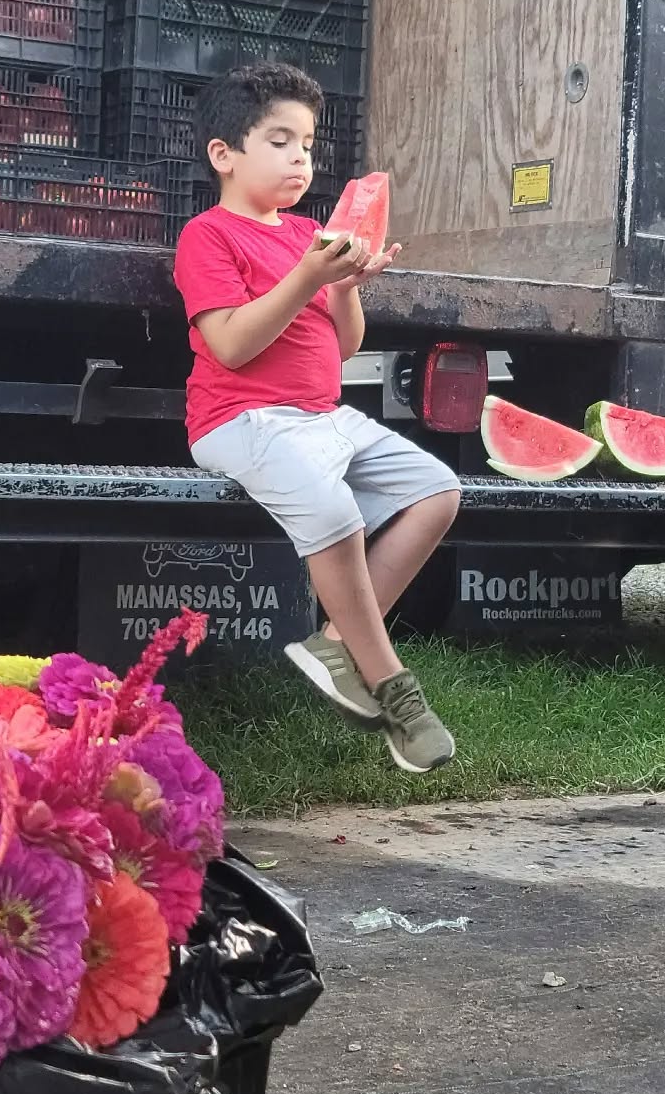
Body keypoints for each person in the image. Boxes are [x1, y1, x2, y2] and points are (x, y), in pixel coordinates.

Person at [173, 62, 461, 772]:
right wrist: (308, 275)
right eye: (280, 141)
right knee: (336, 513)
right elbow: (233, 345)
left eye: (307, 143)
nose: (301, 157)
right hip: (241, 420)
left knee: (437, 490)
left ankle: (333, 643)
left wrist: (346, 288)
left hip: (321, 414)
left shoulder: (307, 233)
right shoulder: (208, 237)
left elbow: (346, 346)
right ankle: (396, 692)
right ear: (225, 155)